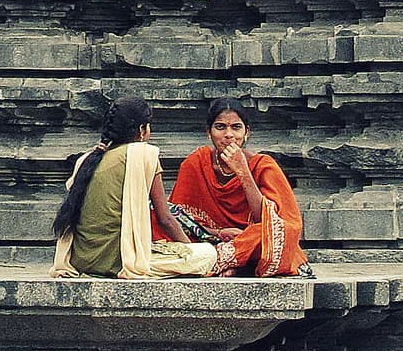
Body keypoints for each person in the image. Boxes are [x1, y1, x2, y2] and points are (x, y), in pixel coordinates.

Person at [52, 95, 219, 279]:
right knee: (208, 253)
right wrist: (190, 250)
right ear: (142, 129)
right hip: (119, 262)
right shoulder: (143, 154)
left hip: (81, 261)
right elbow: (165, 219)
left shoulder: (87, 159)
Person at [166, 97, 310, 277]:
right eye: (220, 127)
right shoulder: (195, 163)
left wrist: (243, 171)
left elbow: (269, 220)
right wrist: (218, 232)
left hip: (252, 239)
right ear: (208, 133)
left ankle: (224, 260)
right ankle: (238, 262)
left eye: (236, 127)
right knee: (155, 217)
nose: (228, 135)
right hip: (209, 239)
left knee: (278, 233)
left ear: (247, 132)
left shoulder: (263, 165)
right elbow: (181, 219)